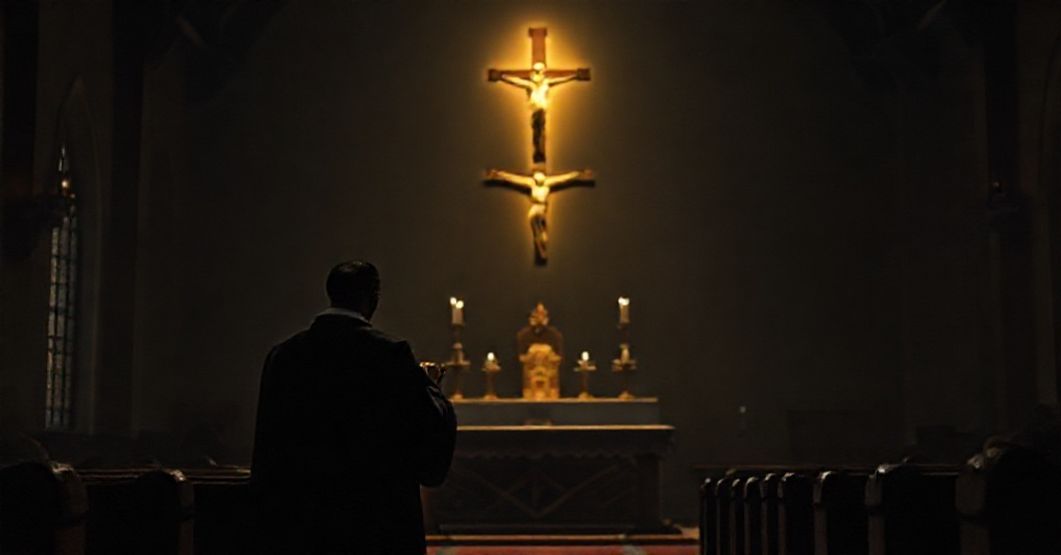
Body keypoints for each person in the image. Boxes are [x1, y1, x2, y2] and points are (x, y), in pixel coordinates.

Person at [251, 261, 456, 554]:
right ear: (373, 297)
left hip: (305, 518)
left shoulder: (285, 355)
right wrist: (431, 385)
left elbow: (269, 442)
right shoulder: (389, 353)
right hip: (373, 518)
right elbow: (425, 423)